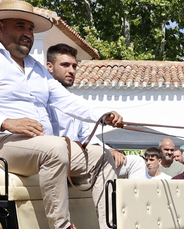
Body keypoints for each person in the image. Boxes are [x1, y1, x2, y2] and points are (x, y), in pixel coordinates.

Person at [0, 0, 120, 229]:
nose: (28, 34)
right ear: (0, 26)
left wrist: (102, 114)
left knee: (100, 155)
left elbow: (68, 101)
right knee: (54, 148)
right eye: (21, 26)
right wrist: (6, 123)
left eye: (30, 29)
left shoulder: (37, 68)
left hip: (38, 147)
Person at [44, 43, 145, 179]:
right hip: (59, 159)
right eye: (65, 65)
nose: (71, 70)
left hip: (80, 158)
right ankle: (108, 200)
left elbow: (87, 136)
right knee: (103, 161)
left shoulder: (77, 103)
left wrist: (109, 150)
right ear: (49, 67)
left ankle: (129, 201)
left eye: (74, 66)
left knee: (136, 162)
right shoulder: (43, 98)